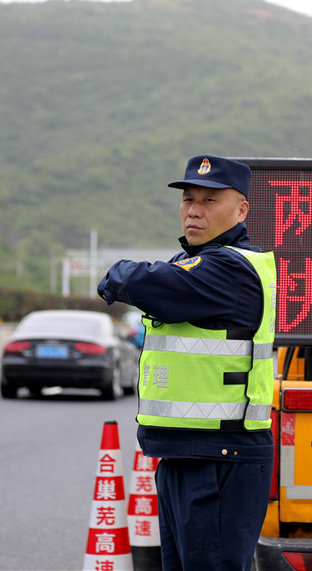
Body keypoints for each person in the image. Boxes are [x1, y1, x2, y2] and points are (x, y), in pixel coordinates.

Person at [97, 155, 276, 571]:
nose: (194, 209)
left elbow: (137, 281)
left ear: (241, 209)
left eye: (210, 200)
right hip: (187, 450)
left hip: (220, 456)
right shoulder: (196, 264)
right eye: (188, 199)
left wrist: (118, 274)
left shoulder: (228, 269)